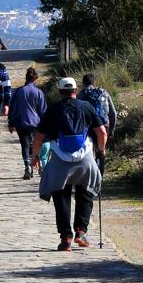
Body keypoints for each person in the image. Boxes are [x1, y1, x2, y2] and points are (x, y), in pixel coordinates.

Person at [31, 77, 106, 251]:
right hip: (85, 158)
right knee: (86, 192)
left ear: (59, 92)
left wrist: (34, 156)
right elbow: (101, 132)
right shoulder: (86, 107)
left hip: (60, 159)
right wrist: (101, 151)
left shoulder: (53, 110)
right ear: (76, 90)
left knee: (61, 196)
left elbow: (39, 138)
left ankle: (66, 239)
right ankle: (81, 231)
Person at [8, 67, 46, 179]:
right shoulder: (39, 93)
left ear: (26, 77)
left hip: (21, 123)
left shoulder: (19, 91)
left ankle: (27, 166)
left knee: (25, 145)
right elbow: (43, 110)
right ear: (36, 79)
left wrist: (11, 123)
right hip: (36, 124)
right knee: (35, 145)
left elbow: (13, 109)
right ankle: (38, 164)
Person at [78, 74, 116, 173]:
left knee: (88, 149)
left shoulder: (81, 94)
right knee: (101, 149)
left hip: (88, 127)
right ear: (94, 82)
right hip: (104, 125)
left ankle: (89, 170)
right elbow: (113, 113)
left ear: (83, 83)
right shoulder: (104, 92)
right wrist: (111, 130)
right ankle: (101, 166)